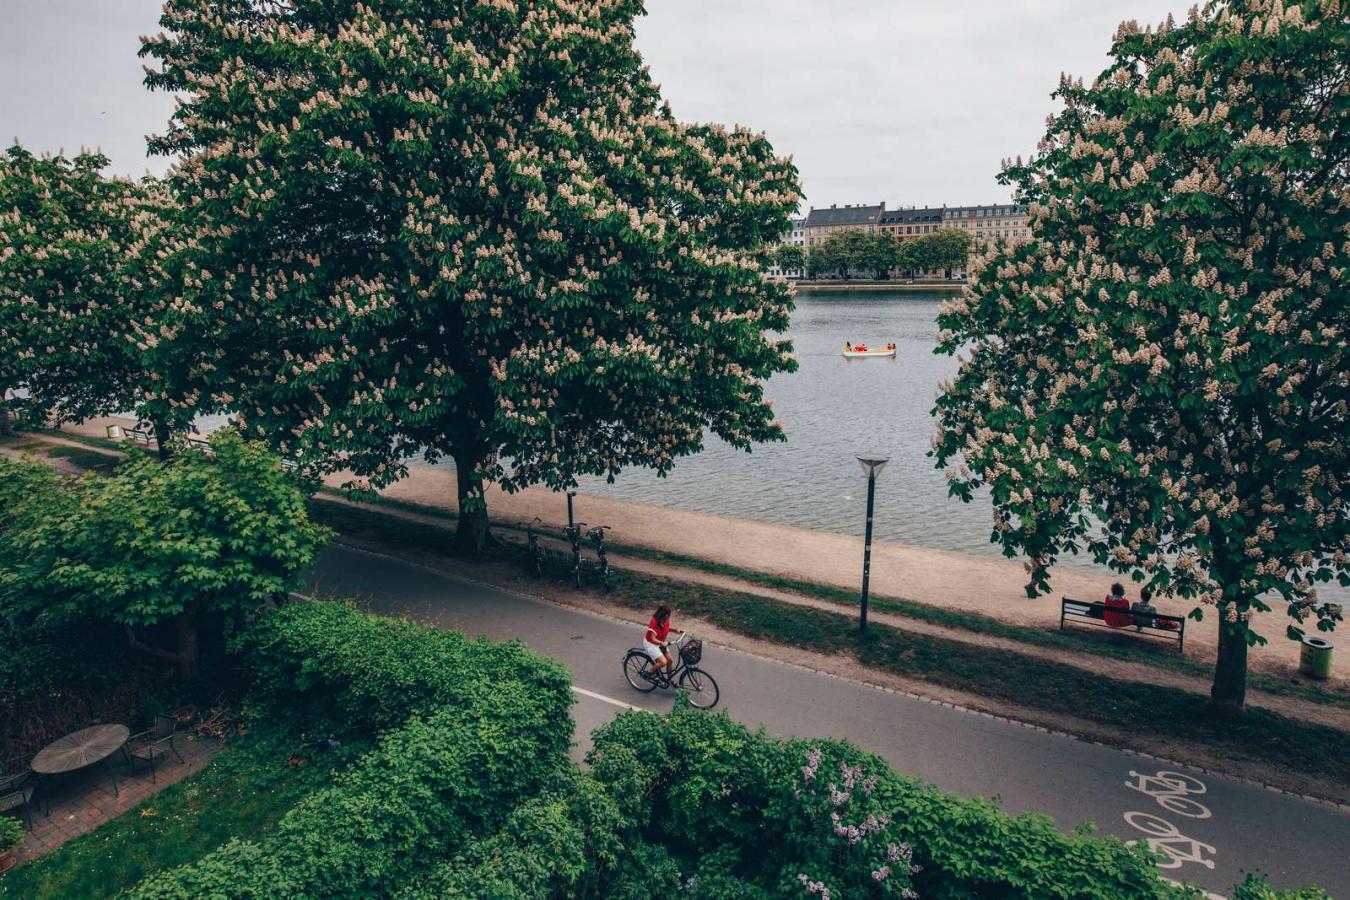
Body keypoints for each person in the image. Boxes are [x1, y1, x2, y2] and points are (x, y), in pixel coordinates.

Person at [643, 605, 677, 682]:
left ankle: (669, 680)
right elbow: (652, 638)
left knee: (670, 660)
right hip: (651, 644)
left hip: (660, 643)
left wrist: (675, 630)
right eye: (668, 615)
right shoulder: (655, 623)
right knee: (663, 662)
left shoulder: (665, 621)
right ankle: (649, 672)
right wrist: (662, 643)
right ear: (664, 615)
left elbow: (666, 628)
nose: (669, 617)